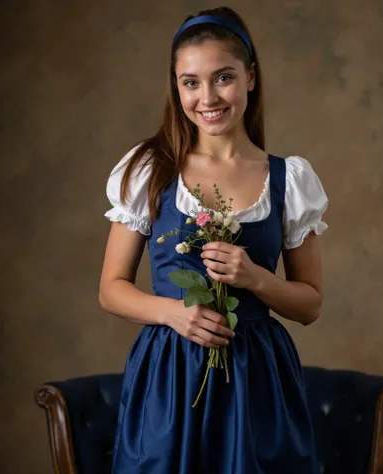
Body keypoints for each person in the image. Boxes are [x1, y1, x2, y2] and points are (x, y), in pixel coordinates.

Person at [100, 6, 328, 474]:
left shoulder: (289, 179)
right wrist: (174, 313)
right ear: (176, 86)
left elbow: (309, 306)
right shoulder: (150, 170)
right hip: (169, 375)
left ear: (250, 77)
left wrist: (257, 279)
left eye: (223, 78)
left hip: (258, 379)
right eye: (190, 82)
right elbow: (111, 289)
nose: (207, 97)